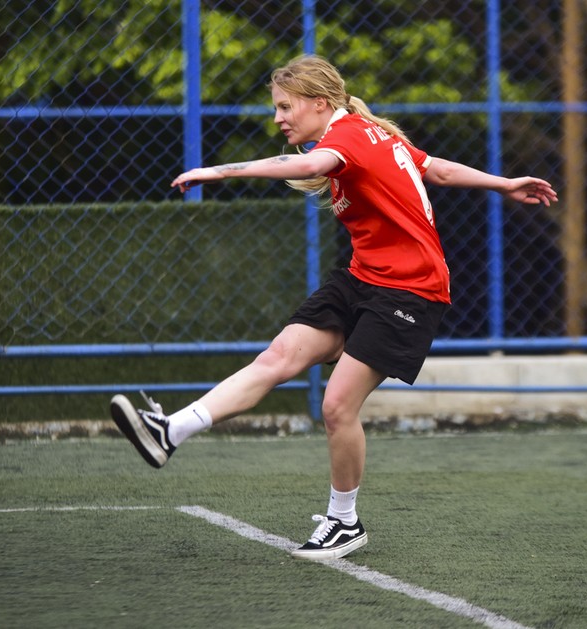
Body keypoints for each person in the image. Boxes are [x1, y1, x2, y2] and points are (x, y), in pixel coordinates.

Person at [110, 55, 558, 560]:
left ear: (320, 103)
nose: (279, 118)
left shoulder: (344, 139)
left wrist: (216, 171)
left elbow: (306, 165)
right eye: (276, 108)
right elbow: (436, 169)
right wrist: (503, 183)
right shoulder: (371, 132)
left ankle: (345, 522)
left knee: (336, 406)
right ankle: (170, 430)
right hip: (361, 278)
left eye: (286, 106)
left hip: (410, 290)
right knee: (278, 358)